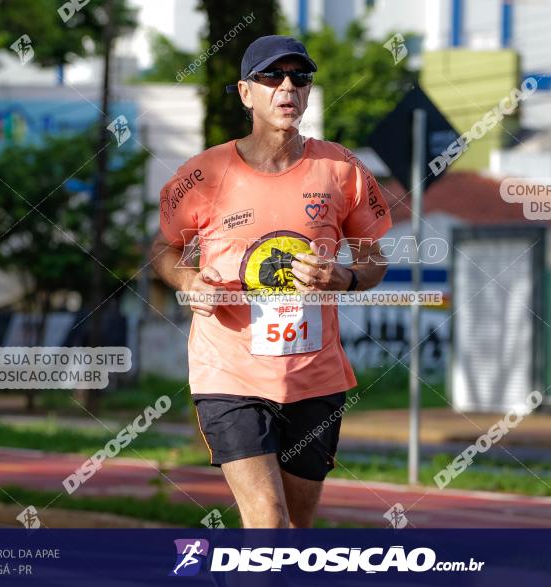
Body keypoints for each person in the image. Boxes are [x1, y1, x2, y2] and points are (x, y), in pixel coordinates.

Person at [151, 35, 391, 528]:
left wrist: (342, 276)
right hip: (230, 373)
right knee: (267, 519)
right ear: (245, 93)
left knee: (294, 532)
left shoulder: (340, 168)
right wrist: (190, 279)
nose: (287, 87)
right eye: (271, 77)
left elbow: (374, 260)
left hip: (314, 377)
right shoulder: (205, 174)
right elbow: (163, 248)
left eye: (299, 77)